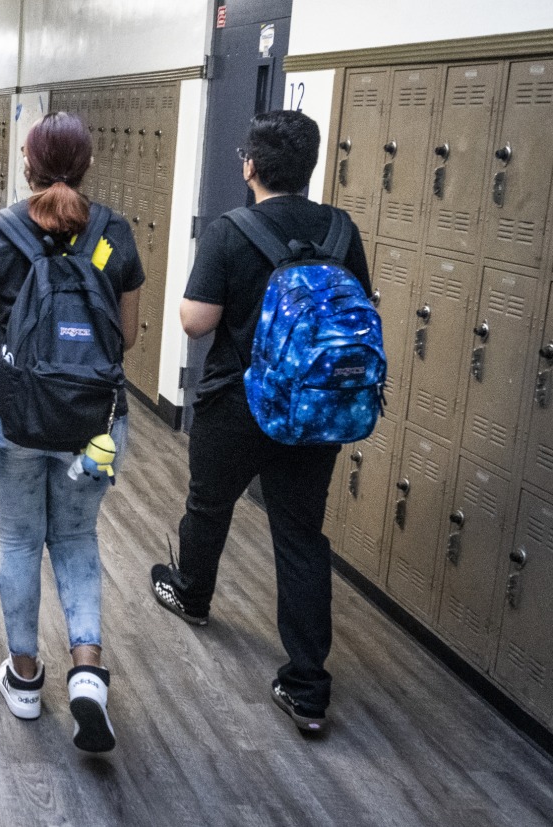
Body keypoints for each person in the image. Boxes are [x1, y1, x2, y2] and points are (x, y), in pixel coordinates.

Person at [150, 109, 371, 733]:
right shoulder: (341, 229)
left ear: (250, 165)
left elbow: (196, 322)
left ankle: (191, 594)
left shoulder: (230, 230)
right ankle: (306, 686)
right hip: (315, 409)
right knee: (301, 537)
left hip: (238, 404)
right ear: (310, 166)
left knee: (209, 504)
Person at [0, 112, 143, 753]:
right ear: (88, 164)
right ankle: (87, 672)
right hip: (95, 425)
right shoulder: (112, 234)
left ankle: (25, 677)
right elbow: (126, 336)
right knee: (77, 539)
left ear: (26, 163)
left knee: (20, 540)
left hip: (11, 421)